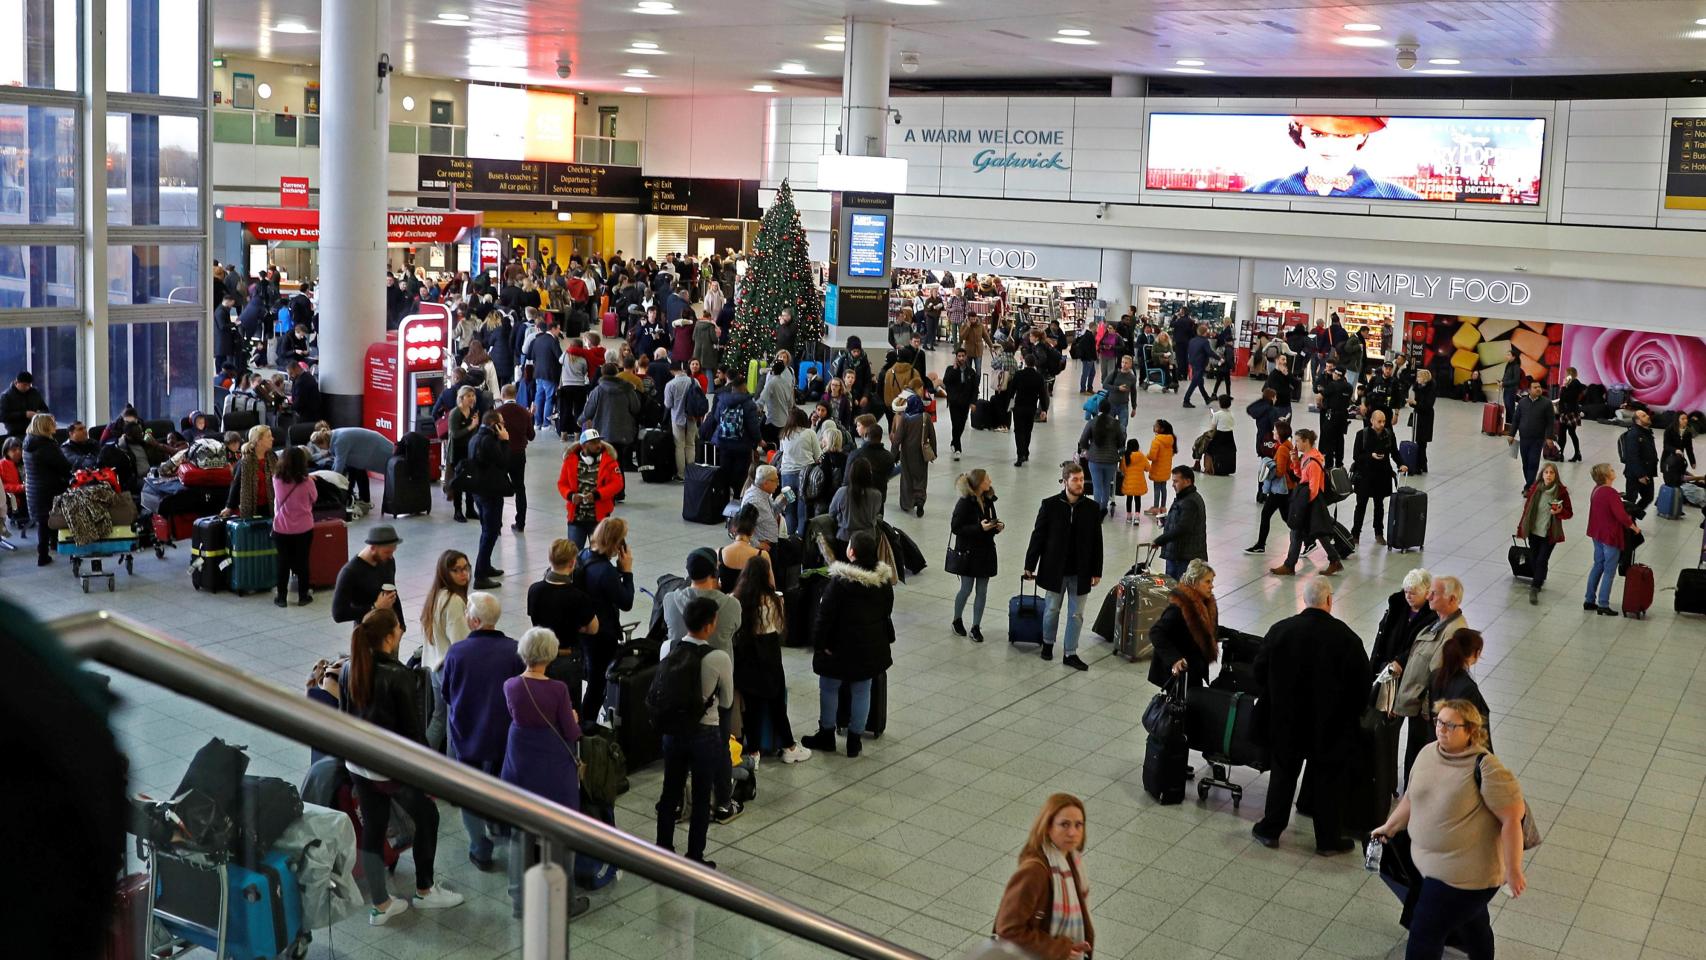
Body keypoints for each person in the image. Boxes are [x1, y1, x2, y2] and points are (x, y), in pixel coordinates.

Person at [1371, 700, 1526, 959]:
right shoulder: (1428, 753)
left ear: (1471, 731)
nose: (1442, 729)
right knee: (1472, 922)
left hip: (1465, 875)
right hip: (1432, 867)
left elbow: (1512, 819)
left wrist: (1513, 870)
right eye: (1439, 722)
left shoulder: (1487, 768)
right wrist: (1390, 826)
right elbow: (1411, 797)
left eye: (1451, 725)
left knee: (1425, 931)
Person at [339, 609, 465, 925]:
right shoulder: (398, 676)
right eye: (398, 626)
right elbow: (413, 731)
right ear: (389, 636)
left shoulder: (349, 668)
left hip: (357, 763)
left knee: (374, 827)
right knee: (428, 816)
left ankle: (380, 905)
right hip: (390, 768)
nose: (401, 629)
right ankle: (425, 889)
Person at [1251, 577, 1370, 853]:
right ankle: (1328, 840)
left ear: (1305, 600)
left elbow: (1258, 672)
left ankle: (1270, 830)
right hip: (1329, 728)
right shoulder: (1348, 640)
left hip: (1285, 724)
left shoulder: (1281, 631)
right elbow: (1361, 688)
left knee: (1282, 777)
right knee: (1328, 783)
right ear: (1329, 600)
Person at [500, 627, 589, 919]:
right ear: (550, 655)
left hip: (520, 761)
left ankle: (519, 900)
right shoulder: (558, 689)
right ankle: (564, 901)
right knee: (560, 832)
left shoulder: (511, 685)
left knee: (520, 832)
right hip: (553, 763)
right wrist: (574, 718)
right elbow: (572, 732)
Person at [440, 591, 524, 872]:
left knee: (470, 794)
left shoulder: (457, 652)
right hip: (503, 737)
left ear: (473, 621)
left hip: (468, 735)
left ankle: (480, 847)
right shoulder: (514, 650)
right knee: (502, 787)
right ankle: (502, 828)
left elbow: (447, 693)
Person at [800, 529, 896, 757]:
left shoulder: (840, 583)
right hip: (871, 647)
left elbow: (824, 617)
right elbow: (887, 611)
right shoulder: (883, 582)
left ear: (851, 552)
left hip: (838, 648)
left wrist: (820, 643)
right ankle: (855, 740)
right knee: (863, 689)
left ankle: (826, 734)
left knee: (830, 687)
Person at [653, 596, 732, 868]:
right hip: (704, 734)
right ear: (709, 626)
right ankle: (695, 858)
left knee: (669, 792)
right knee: (700, 797)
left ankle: (663, 849)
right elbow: (728, 700)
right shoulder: (717, 657)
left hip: (672, 731)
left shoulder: (668, 648)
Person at [729, 554, 811, 764]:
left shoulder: (735, 600)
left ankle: (753, 752)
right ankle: (788, 747)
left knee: (751, 708)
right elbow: (780, 628)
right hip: (770, 657)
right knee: (776, 705)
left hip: (745, 659)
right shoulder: (775, 600)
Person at [992, 793, 1094, 960]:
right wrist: (1060, 949)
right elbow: (1008, 929)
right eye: (1064, 825)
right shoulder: (1034, 872)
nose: (1073, 832)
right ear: (1048, 827)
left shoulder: (1072, 861)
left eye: (1078, 825)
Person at [1023, 462, 1103, 671]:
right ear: (1065, 481)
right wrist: (1029, 564)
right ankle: (1048, 644)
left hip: (1081, 571)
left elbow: (1097, 541)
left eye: (1081, 478)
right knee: (1051, 609)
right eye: (1075, 479)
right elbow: (1038, 536)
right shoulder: (1050, 505)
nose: (1080, 483)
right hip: (1054, 569)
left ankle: (1070, 652)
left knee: (1076, 614)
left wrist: (1097, 570)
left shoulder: (1092, 508)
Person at [1369, 567, 1438, 793]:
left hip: (1415, 682)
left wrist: (1400, 660)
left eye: (1414, 593)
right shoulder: (1397, 607)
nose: (1408, 596)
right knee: (1387, 733)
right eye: (1406, 591)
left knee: (1417, 739)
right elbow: (1382, 640)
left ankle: (1412, 783)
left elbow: (1422, 649)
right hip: (1390, 677)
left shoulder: (1433, 617)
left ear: (1427, 593)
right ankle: (1386, 782)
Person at [1394, 576, 1470, 778]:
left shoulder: (1454, 631)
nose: (1428, 596)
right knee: (1414, 752)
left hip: (1427, 711)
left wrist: (1429, 712)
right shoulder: (1440, 622)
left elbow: (1438, 675)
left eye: (1434, 594)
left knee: (1422, 756)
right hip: (1419, 707)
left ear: (1452, 599)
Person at [1246, 115, 1423, 199]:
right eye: (1318, 134)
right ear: (1300, 132)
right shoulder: (1260, 192)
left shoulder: (1403, 198)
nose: (1330, 146)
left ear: (1363, 135)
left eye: (1344, 136)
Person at [526, 539, 599, 715]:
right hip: (567, 658)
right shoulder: (578, 597)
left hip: (540, 656)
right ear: (573, 562)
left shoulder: (535, 590)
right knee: (568, 710)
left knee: (543, 707)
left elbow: (534, 617)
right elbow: (593, 628)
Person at [575, 518, 635, 727]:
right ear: (616, 543)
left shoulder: (583, 555)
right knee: (597, 683)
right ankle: (588, 723)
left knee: (591, 676)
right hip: (602, 634)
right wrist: (626, 572)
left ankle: (584, 720)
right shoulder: (606, 571)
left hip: (583, 630)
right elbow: (626, 601)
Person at [1271, 428, 1344, 577]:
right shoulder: (1306, 457)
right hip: (1309, 502)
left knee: (1300, 531)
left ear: (1306, 441)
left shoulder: (1313, 462)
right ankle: (1333, 560)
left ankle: (1290, 565)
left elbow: (1314, 488)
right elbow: (1299, 475)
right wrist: (1295, 461)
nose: (1295, 444)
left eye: (1297, 441)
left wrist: (1303, 507)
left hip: (1311, 502)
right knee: (1314, 532)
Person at [420, 550, 473, 752]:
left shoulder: (436, 595)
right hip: (450, 671)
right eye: (456, 570)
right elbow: (461, 643)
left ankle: (420, 764)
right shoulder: (454, 601)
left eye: (465, 568)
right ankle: (450, 775)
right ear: (445, 572)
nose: (463, 574)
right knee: (454, 727)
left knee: (439, 720)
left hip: (435, 666)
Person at [1146, 559, 1220, 689]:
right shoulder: (1180, 607)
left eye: (1212, 581)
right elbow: (1156, 632)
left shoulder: (1205, 603)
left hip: (1193, 666)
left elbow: (1205, 629)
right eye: (1207, 582)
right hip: (1179, 672)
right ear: (1194, 583)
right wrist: (1175, 659)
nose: (1212, 586)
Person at [948, 469, 1003, 642]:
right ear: (979, 482)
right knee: (966, 589)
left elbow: (989, 520)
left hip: (985, 551)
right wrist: (979, 528)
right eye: (987, 478)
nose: (990, 480)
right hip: (969, 552)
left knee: (982, 590)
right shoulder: (965, 502)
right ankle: (957, 619)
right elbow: (956, 527)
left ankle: (976, 626)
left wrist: (995, 527)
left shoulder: (988, 499)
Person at [1421, 630, 1492, 752]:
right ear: (1476, 653)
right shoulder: (1468, 688)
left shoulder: (1436, 676)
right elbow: (1475, 726)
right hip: (1458, 750)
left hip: (1436, 744)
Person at [1585, 462, 1639, 617]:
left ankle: (1589, 599)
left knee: (1598, 565)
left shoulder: (1597, 490)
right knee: (1609, 570)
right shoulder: (1610, 493)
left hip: (1597, 534)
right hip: (1610, 536)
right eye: (1611, 470)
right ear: (1606, 476)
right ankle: (1603, 603)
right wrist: (1634, 527)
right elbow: (1621, 516)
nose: (1614, 471)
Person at [465, 412, 512, 589]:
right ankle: (480, 575)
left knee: (487, 530)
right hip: (490, 492)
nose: (504, 424)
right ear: (494, 424)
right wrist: (505, 441)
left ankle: (485, 566)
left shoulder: (476, 438)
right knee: (490, 532)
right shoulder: (489, 442)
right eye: (502, 422)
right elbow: (504, 463)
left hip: (479, 491)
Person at [1514, 462, 1573, 605]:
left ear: (1556, 475)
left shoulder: (1560, 492)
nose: (1548, 475)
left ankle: (1535, 587)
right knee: (1534, 559)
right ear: (1542, 474)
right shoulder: (1535, 488)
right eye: (1546, 472)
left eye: (1552, 473)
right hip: (1534, 531)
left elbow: (1569, 513)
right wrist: (1521, 527)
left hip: (1549, 533)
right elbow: (1527, 509)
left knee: (1541, 560)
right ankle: (1540, 577)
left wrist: (1559, 512)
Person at [269, 445, 318, 609]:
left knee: (283, 562)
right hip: (304, 528)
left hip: (281, 528)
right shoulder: (308, 482)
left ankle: (281, 597)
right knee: (303, 562)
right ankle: (303, 596)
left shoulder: (276, 479)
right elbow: (314, 498)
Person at [557, 428, 622, 549]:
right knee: (574, 555)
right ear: (584, 446)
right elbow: (562, 483)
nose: (598, 445)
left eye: (599, 441)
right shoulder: (570, 460)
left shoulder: (609, 460)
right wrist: (571, 496)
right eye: (594, 443)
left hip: (599, 520)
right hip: (576, 519)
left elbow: (617, 484)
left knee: (600, 554)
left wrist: (597, 495)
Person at [333, 525, 406, 630]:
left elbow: (393, 593)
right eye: (387, 552)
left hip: (390, 631)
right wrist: (375, 607)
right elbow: (338, 614)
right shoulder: (350, 572)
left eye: (393, 551)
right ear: (372, 548)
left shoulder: (388, 561)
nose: (391, 556)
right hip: (365, 634)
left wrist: (402, 626)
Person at [21, 414, 70, 566]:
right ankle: (44, 555)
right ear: (45, 426)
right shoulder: (46, 446)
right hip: (49, 487)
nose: (55, 425)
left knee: (43, 522)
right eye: (52, 423)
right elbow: (63, 466)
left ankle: (45, 551)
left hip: (34, 489)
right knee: (50, 518)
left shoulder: (28, 443)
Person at [702, 376, 762, 497]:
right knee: (741, 474)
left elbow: (717, 418)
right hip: (742, 444)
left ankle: (723, 499)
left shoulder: (722, 401)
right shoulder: (749, 404)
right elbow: (753, 426)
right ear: (744, 387)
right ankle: (738, 499)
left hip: (724, 442)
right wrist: (758, 440)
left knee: (725, 471)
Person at [1148, 466, 1207, 582]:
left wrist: (1160, 540)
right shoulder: (1185, 498)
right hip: (1180, 554)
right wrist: (1168, 520)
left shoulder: (1189, 501)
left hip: (1183, 557)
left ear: (1187, 481)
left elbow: (1183, 528)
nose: (1173, 485)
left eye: (1176, 481)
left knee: (1178, 592)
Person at [1350, 408, 1399, 545]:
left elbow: (1394, 452)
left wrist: (1401, 464)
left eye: (1384, 421)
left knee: (1379, 505)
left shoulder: (1388, 435)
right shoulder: (1362, 435)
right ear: (1371, 421)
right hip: (1365, 475)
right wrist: (1370, 456)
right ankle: (1355, 534)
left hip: (1382, 475)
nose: (1382, 424)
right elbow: (1356, 456)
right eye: (1379, 421)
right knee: (1361, 505)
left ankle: (1379, 533)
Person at [1247, 421, 1297, 554]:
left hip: (1280, 489)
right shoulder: (1288, 445)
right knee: (1287, 517)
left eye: (1275, 430)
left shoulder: (1281, 449)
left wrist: (1269, 467)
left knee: (1266, 514)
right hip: (1288, 488)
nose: (1273, 432)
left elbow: (1280, 472)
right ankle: (1309, 539)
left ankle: (1260, 545)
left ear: (1280, 433)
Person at [495, 384, 536, 532]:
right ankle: (520, 523)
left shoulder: (497, 413)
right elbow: (531, 436)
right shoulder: (524, 412)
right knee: (520, 488)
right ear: (516, 395)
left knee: (498, 489)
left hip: (501, 454)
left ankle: (497, 525)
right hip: (519, 454)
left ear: (502, 395)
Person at [776, 407, 820, 537]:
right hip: (804, 477)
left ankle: (789, 536)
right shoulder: (809, 433)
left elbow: (782, 452)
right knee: (802, 510)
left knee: (790, 508)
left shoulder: (784, 434)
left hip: (787, 477)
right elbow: (818, 456)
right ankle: (801, 539)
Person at [1507, 380, 1556, 493]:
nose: (1538, 389)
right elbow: (1516, 419)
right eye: (1535, 387)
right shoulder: (1522, 403)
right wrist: (1511, 434)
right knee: (1525, 463)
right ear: (1529, 390)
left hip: (1537, 439)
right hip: (1524, 438)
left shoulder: (1546, 403)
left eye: (1539, 387)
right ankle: (1530, 484)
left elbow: (1550, 422)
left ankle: (1529, 487)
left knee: (1533, 462)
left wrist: (1549, 437)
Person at [1078, 399, 1125, 516]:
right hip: (1111, 460)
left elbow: (1083, 440)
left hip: (1094, 459)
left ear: (1099, 409)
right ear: (1110, 409)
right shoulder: (1116, 423)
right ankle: (1103, 509)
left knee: (1097, 485)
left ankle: (1096, 509)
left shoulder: (1092, 422)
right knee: (1106, 485)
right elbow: (1121, 441)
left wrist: (1087, 450)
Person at [891, 395, 934, 518]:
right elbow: (932, 436)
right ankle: (920, 501)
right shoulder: (926, 417)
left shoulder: (905, 418)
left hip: (907, 454)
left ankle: (907, 503)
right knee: (921, 478)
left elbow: (897, 439)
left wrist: (893, 454)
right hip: (921, 453)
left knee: (907, 478)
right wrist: (933, 453)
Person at [222, 424, 274, 521]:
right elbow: (236, 485)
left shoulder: (272, 457)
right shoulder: (245, 462)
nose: (272, 439)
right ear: (259, 441)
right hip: (254, 508)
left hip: (271, 506)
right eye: (268, 436)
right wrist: (229, 507)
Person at [448, 386, 480, 523]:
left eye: (473, 396)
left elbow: (475, 433)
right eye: (468, 396)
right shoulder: (455, 413)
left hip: (469, 450)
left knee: (470, 480)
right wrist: (471, 427)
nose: (472, 398)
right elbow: (455, 434)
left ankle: (470, 509)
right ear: (461, 398)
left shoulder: (473, 412)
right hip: (457, 451)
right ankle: (457, 510)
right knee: (459, 481)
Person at [1620, 407, 1659, 519]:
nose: (1647, 416)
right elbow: (1632, 457)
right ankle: (1628, 522)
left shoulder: (1647, 432)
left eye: (1646, 415)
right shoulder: (1634, 434)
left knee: (1648, 497)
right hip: (1635, 474)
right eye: (1643, 416)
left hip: (1648, 472)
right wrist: (1640, 475)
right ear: (1637, 421)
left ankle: (1632, 517)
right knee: (1631, 499)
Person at [1008, 354, 1046, 467]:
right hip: (1031, 408)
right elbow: (1043, 394)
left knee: (1018, 431)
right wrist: (1044, 409)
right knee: (1027, 430)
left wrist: (1010, 405)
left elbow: (1012, 391)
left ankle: (1020, 455)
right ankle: (1026, 452)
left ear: (1025, 362)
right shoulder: (1038, 377)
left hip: (1019, 407)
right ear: (1034, 363)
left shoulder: (1019, 374)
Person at [942, 348, 978, 460]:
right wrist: (954, 369)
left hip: (965, 403)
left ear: (966, 357)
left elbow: (974, 388)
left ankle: (954, 441)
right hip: (954, 402)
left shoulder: (971, 372)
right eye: (959, 356)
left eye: (963, 356)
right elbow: (946, 381)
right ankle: (958, 448)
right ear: (956, 357)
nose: (961, 358)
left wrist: (973, 402)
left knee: (961, 425)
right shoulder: (950, 369)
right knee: (955, 424)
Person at [1406, 368, 1437, 475]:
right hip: (1417, 416)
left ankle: (1420, 465)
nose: (1417, 379)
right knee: (1418, 440)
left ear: (1424, 379)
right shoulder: (1417, 387)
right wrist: (1412, 402)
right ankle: (1421, 464)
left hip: (1426, 418)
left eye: (1419, 377)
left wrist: (1415, 403)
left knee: (1422, 442)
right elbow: (1415, 401)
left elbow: (1428, 406)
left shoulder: (1430, 389)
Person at [1, 371, 47, 438]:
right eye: (24, 385)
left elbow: (45, 409)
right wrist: (24, 414)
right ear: (16, 383)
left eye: (29, 385)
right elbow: (3, 416)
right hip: (16, 433)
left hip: (35, 431)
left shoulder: (35, 393)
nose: (27, 387)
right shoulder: (6, 396)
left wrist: (39, 414)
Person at [1144, 420, 1176, 516]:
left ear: (1161, 429)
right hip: (1166, 468)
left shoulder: (1157, 441)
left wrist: (1147, 455)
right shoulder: (1171, 440)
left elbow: (1152, 456)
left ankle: (1155, 508)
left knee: (1157, 488)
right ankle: (1163, 507)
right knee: (1163, 487)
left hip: (1157, 468)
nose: (1154, 427)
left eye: (1156, 426)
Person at [1118, 437, 1150, 525]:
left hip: (1128, 482)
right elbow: (1148, 468)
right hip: (1139, 483)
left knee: (1129, 499)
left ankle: (1128, 516)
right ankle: (1137, 517)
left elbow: (1122, 469)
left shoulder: (1126, 457)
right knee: (1137, 499)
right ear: (1137, 446)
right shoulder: (1141, 456)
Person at [1181, 323, 1213, 409]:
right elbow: (1209, 352)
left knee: (1200, 382)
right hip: (1200, 364)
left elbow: (1189, 351)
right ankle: (1186, 400)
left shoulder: (1192, 340)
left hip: (1193, 363)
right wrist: (1219, 358)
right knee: (1194, 383)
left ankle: (1206, 398)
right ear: (1205, 332)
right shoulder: (1205, 341)